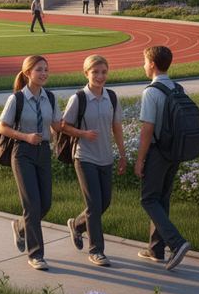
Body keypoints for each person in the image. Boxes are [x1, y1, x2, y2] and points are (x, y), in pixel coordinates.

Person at [0, 55, 62, 270]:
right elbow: (2, 127)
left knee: (45, 204)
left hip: (43, 152)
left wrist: (59, 131)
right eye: (39, 70)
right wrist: (25, 137)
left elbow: (56, 125)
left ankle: (21, 226)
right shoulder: (17, 99)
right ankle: (36, 254)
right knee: (32, 205)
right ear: (27, 74)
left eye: (46, 69)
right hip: (22, 152)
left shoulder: (50, 98)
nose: (44, 73)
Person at [61, 55, 126, 268]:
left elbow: (117, 127)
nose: (100, 76)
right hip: (84, 156)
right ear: (86, 73)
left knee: (104, 202)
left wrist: (123, 154)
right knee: (94, 204)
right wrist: (82, 133)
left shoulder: (112, 97)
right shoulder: (78, 98)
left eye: (103, 72)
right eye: (95, 72)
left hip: (105, 157)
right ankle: (96, 250)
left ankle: (78, 225)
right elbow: (63, 126)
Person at [134, 45, 191, 271]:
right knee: (162, 199)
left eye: (144, 61)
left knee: (148, 199)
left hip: (158, 152)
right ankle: (156, 249)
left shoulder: (151, 92)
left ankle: (176, 244)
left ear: (152, 65)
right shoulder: (177, 88)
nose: (143, 65)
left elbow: (147, 129)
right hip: (175, 151)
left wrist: (140, 160)